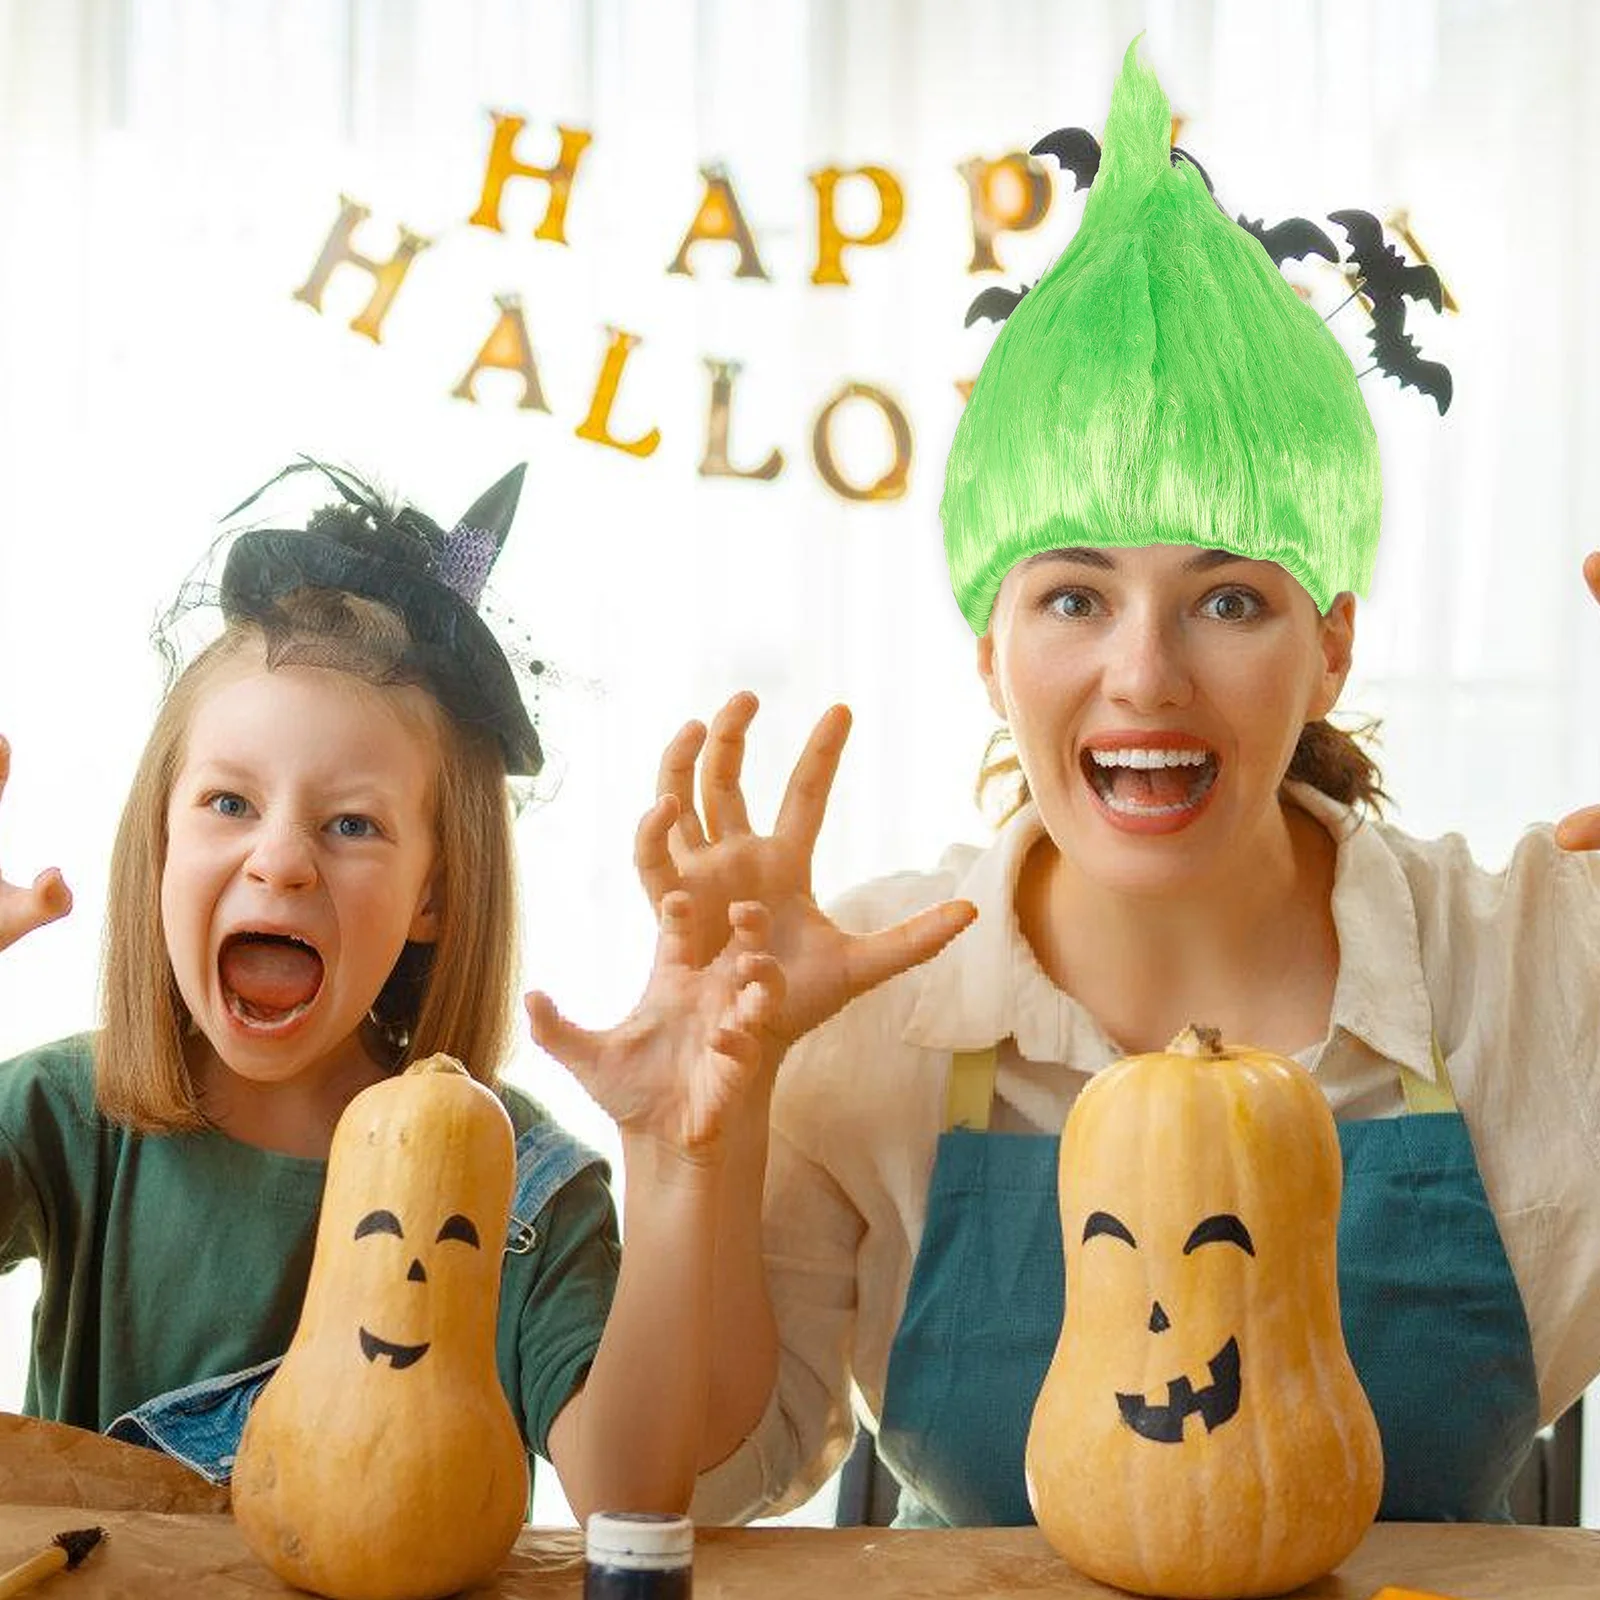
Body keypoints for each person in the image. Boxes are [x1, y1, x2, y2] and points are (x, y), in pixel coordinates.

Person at [614, 44, 1600, 1528]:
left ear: (1329, 643)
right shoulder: (856, 1012)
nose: (1146, 676)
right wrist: (696, 1149)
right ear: (988, 648)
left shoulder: (1536, 969)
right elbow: (663, 1490)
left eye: (1229, 601)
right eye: (1075, 598)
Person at [0, 460, 786, 1521]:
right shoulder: (64, 1118)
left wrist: (675, 1158)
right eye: (230, 801)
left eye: (353, 824)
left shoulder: (519, 1190)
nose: (280, 860)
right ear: (159, 845)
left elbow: (630, 1488)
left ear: (434, 892)